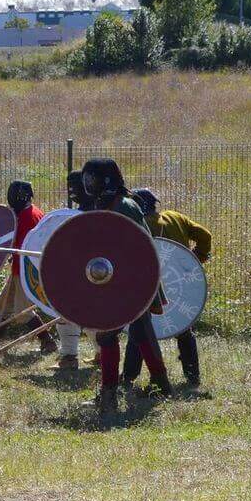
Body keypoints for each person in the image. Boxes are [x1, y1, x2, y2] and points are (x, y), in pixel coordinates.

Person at [80, 158, 172, 416]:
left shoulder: (124, 206)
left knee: (109, 334)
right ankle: (161, 386)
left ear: (107, 180)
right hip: (116, 282)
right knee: (141, 332)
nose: (88, 183)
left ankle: (110, 396)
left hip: (133, 281)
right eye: (86, 177)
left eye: (92, 178)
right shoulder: (104, 205)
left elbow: (138, 247)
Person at [126, 187, 211, 387]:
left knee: (139, 329)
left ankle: (128, 377)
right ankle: (192, 376)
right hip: (180, 284)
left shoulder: (136, 224)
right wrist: (196, 259)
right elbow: (205, 235)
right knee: (184, 329)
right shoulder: (175, 217)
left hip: (149, 286)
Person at [0, 179, 57, 353]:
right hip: (19, 268)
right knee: (3, 305)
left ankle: (47, 341)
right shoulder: (30, 212)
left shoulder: (28, 217)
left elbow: (23, 246)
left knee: (23, 312)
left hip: (27, 271)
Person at [52, 171, 92, 370]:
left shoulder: (100, 212)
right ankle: (70, 357)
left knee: (94, 314)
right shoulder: (77, 214)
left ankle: (72, 357)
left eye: (75, 186)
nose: (71, 190)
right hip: (76, 272)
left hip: (96, 273)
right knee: (72, 313)